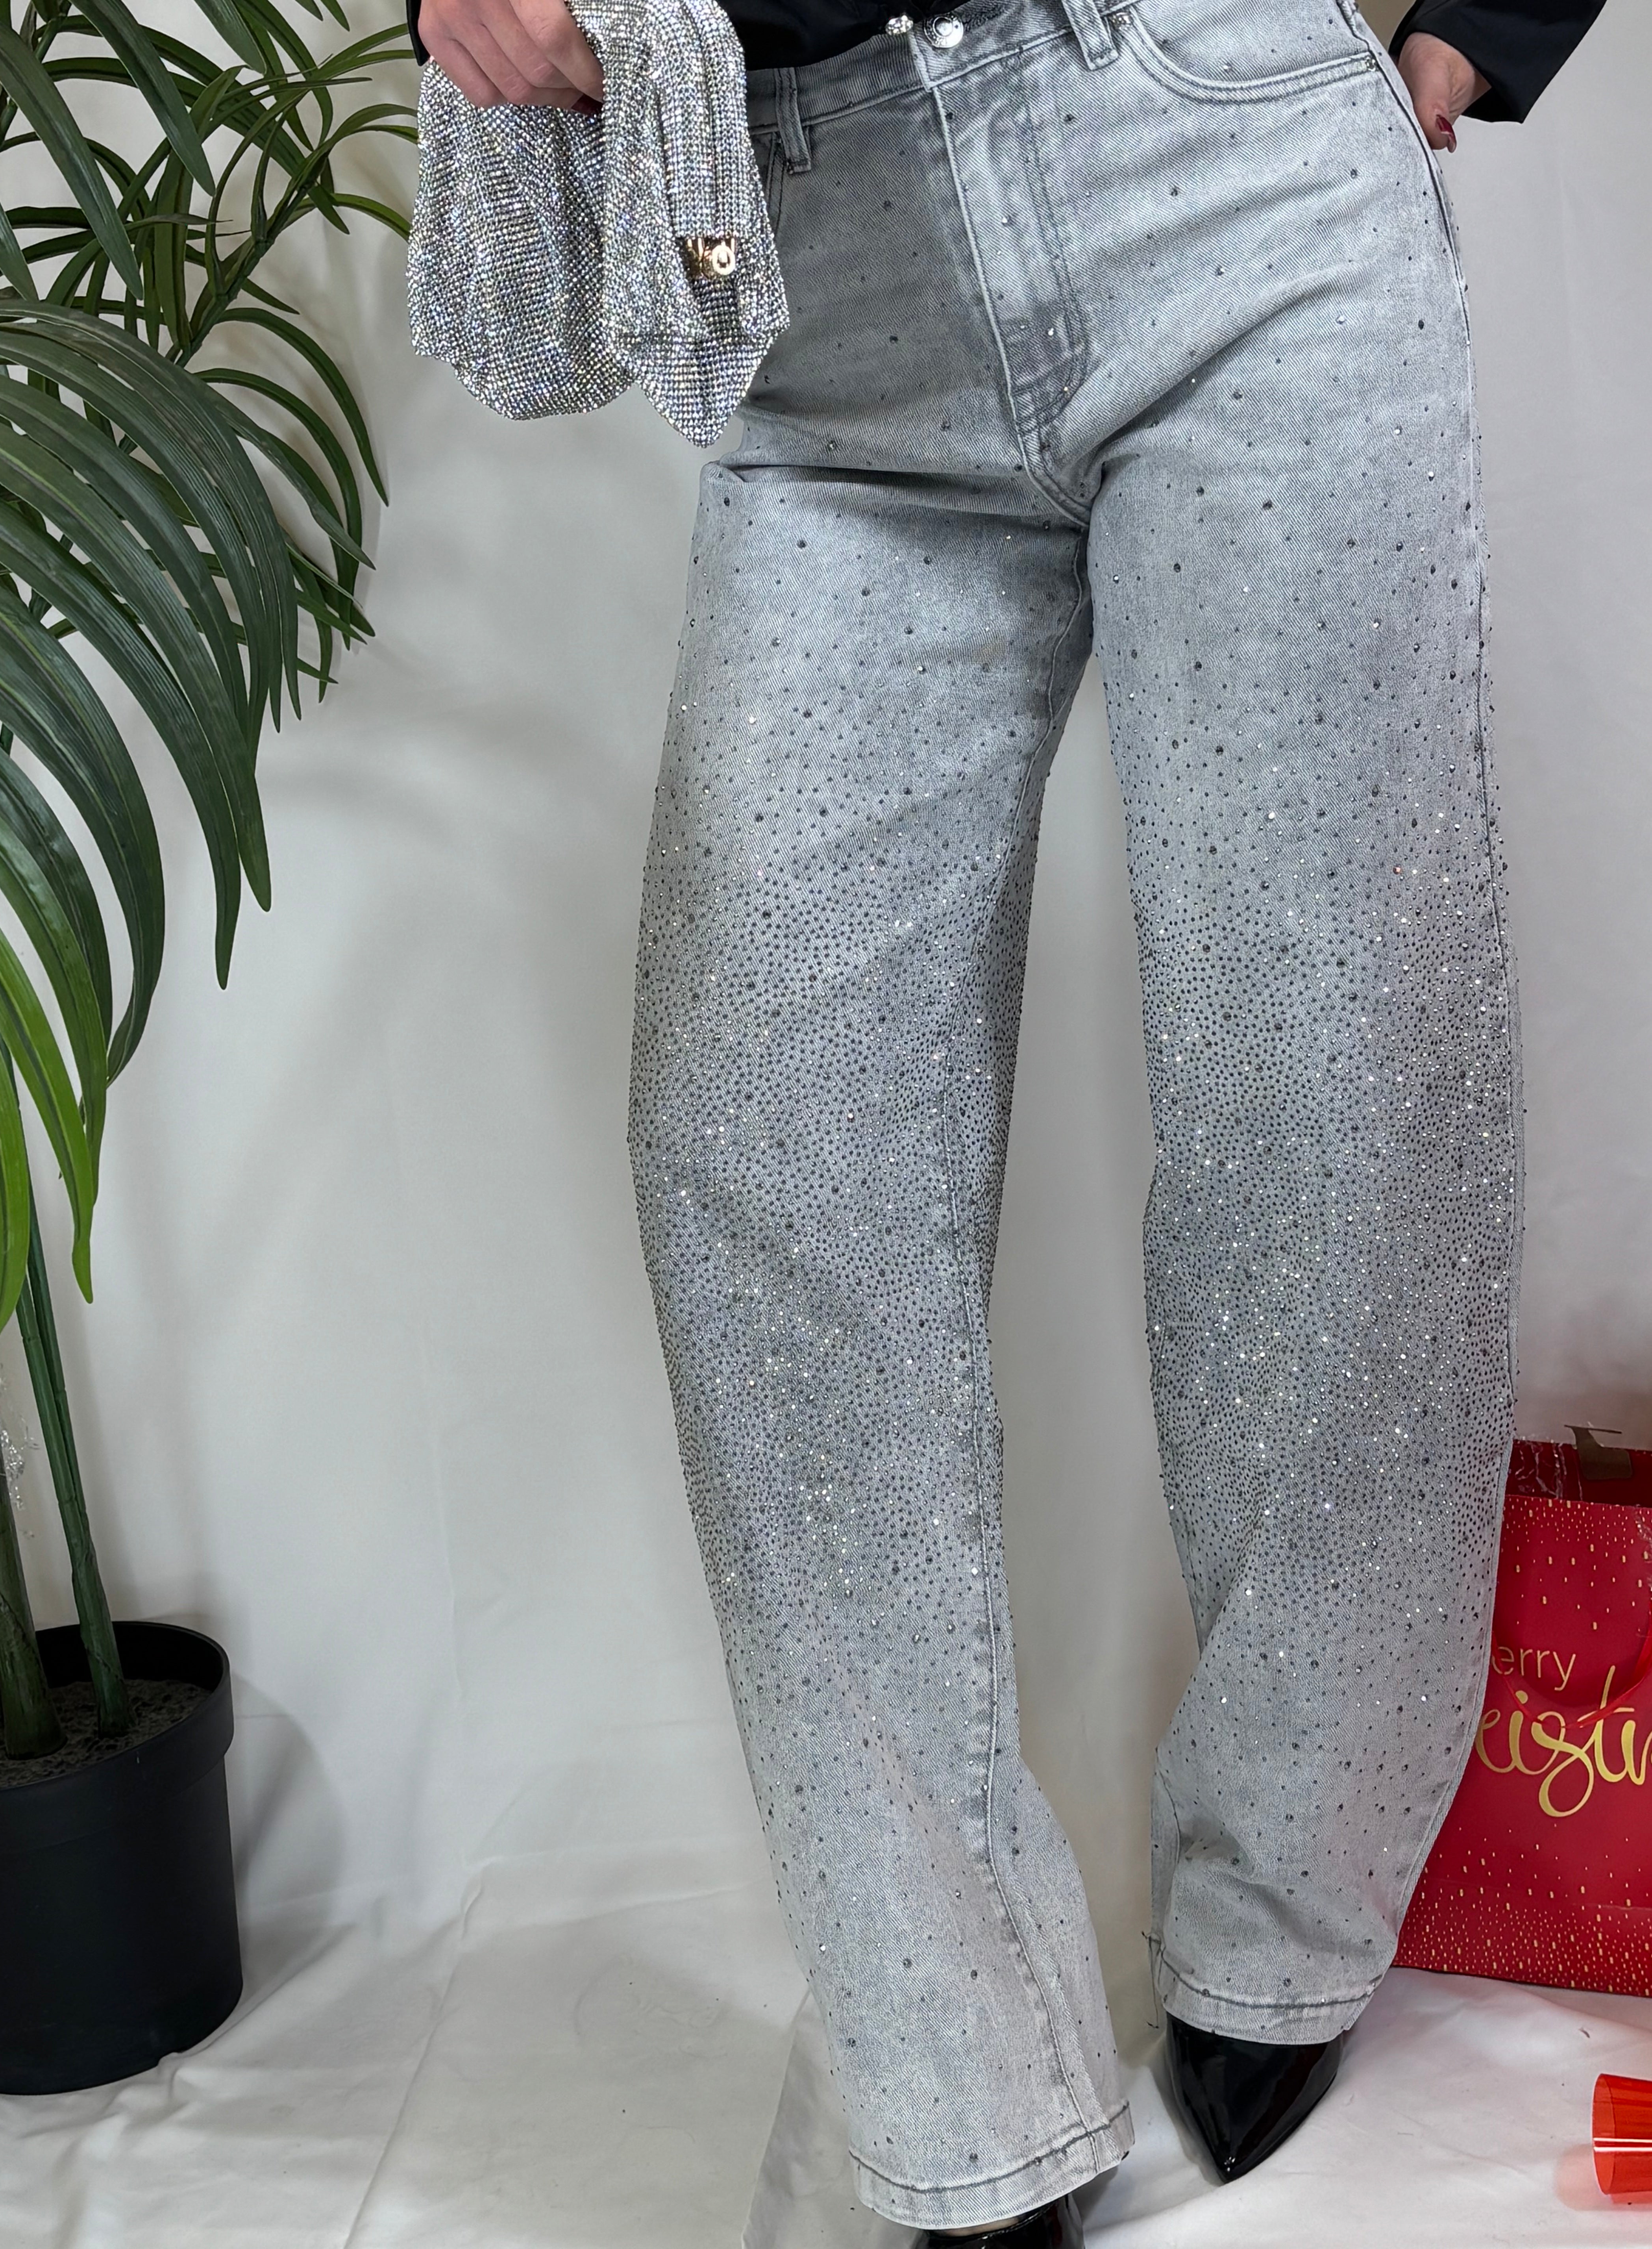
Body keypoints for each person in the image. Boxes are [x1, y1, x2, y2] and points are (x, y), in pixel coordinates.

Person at [407, 0, 1606, 2238]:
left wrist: (1475, 30)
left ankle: (1291, 1906)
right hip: (814, 287)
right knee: (762, 1156)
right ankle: (961, 2071)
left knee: (1341, 1106)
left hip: (1226, 165)